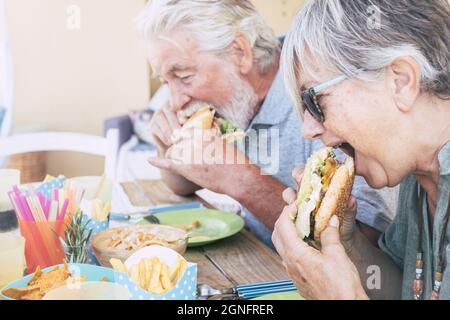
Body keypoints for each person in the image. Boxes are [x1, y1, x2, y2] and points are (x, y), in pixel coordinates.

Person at [137, 0, 393, 249]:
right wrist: (167, 144)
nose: (175, 100)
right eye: (165, 81)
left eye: (183, 77)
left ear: (240, 52)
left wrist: (237, 178)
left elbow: (366, 240)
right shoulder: (238, 100)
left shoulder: (321, 94)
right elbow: (184, 185)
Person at [273, 0, 450, 299]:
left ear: (402, 82)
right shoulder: (416, 175)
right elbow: (402, 289)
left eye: (314, 101)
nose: (308, 129)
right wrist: (345, 243)